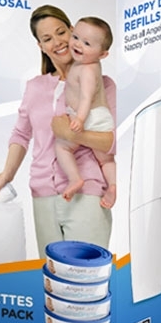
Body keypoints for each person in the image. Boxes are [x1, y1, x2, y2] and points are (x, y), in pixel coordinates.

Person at [0, 5, 115, 258]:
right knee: (51, 276)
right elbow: (21, 134)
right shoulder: (35, 87)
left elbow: (111, 141)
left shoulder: (102, 84)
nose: (57, 42)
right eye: (47, 38)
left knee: (84, 275)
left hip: (86, 196)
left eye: (61, 32)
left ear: (72, 31)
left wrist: (73, 135)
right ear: (41, 46)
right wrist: (7, 174)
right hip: (43, 197)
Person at [55, 17, 116, 209]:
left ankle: (75, 178)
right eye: (75, 37)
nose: (78, 44)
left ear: (103, 54)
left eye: (87, 43)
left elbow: (86, 98)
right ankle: (112, 185)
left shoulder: (87, 70)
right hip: (95, 116)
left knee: (63, 147)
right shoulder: (86, 63)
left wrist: (80, 119)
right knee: (105, 159)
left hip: (91, 116)